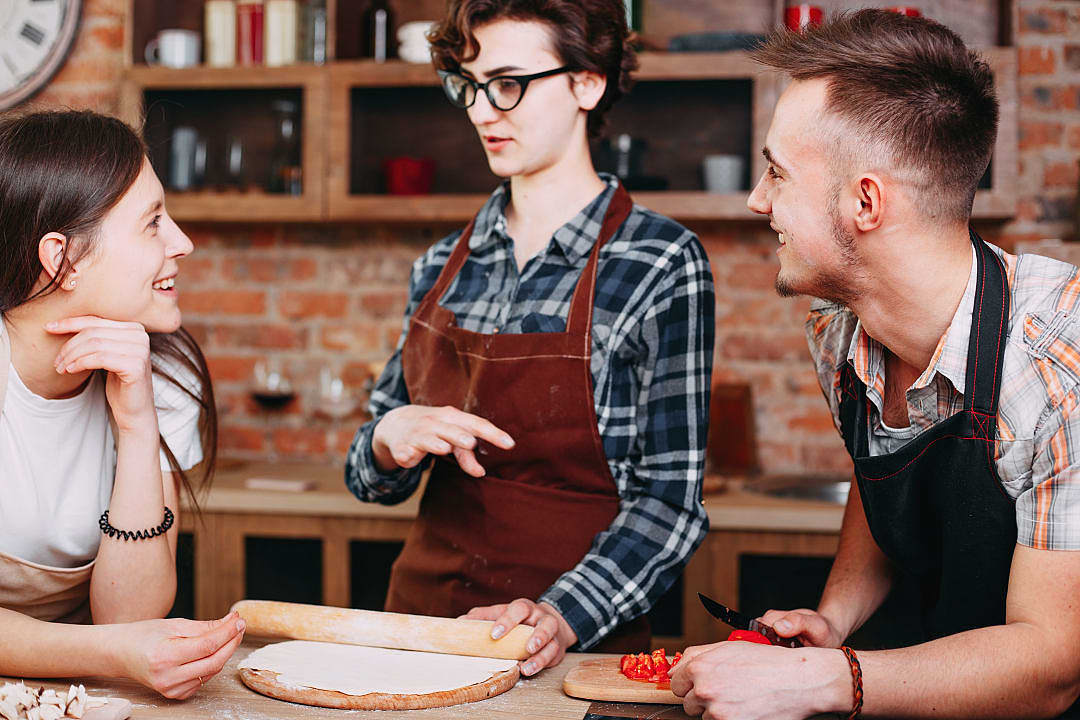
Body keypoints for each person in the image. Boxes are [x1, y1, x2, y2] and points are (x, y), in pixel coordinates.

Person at [670, 10, 1080, 719]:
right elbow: (884, 468)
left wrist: (824, 681)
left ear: (866, 201)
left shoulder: (1058, 366)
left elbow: (1051, 665)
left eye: (777, 173)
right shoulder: (839, 332)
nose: (757, 200)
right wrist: (836, 621)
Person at [345, 0, 715, 676]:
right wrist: (386, 438)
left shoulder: (661, 262)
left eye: (509, 84)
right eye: (469, 85)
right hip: (424, 638)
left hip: (575, 654)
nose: (483, 111)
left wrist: (557, 617)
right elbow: (370, 480)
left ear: (587, 83)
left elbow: (669, 506)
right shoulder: (439, 265)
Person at [0, 111, 244, 699]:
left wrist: (137, 425)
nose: (182, 243)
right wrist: (110, 653)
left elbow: (129, 615)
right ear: (62, 259)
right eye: (153, 223)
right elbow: (121, 642)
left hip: (68, 695)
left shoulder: (164, 371)